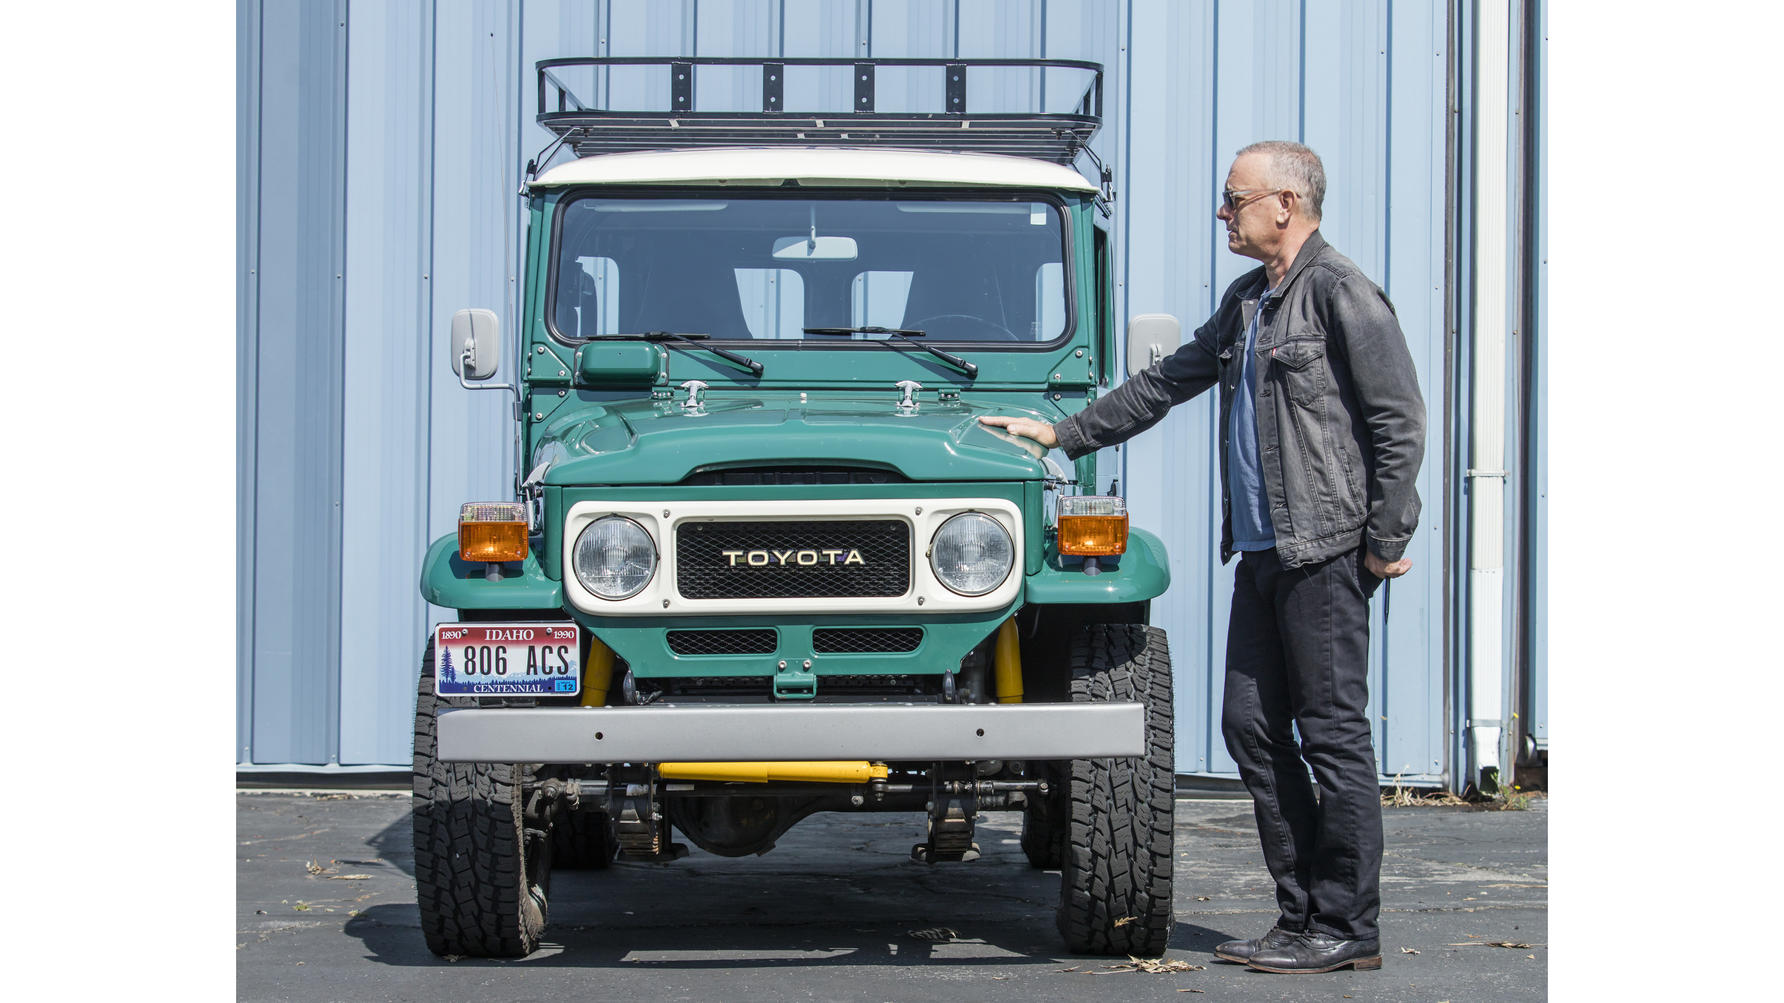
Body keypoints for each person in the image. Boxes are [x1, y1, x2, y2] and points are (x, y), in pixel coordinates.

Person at [980, 141, 1425, 974]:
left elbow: (1399, 419)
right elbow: (1170, 381)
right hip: (1261, 552)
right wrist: (1062, 432)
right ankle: (1300, 918)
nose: (1223, 214)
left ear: (1285, 204)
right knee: (1249, 726)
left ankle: (1346, 926)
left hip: (1325, 550)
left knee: (1332, 735)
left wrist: (1385, 540)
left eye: (1235, 200)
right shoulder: (1249, 301)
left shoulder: (1339, 292)